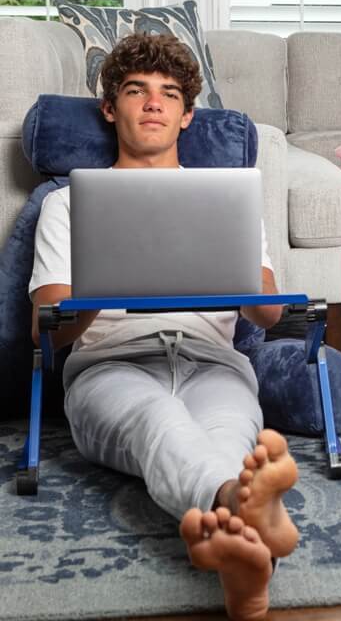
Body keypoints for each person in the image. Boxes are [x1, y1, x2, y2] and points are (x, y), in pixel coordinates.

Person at [29, 32, 297, 621]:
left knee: (228, 436)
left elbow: (269, 315)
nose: (154, 103)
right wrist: (105, 280)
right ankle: (243, 513)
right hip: (110, 367)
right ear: (110, 108)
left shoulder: (228, 201)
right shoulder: (66, 205)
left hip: (212, 363)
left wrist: (234, 272)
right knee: (161, 422)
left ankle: (243, 561)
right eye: (136, 90)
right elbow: (44, 329)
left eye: (169, 94)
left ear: (186, 116)